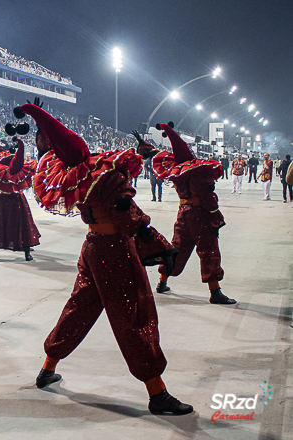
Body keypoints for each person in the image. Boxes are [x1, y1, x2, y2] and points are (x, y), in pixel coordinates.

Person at [15, 102, 192, 416]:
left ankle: (47, 367)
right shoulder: (104, 176)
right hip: (113, 250)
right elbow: (126, 213)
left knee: (77, 308)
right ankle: (157, 392)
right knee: (133, 316)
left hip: (92, 247)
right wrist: (152, 240)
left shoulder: (79, 178)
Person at [148, 122, 236, 305]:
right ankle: (215, 291)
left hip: (183, 212)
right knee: (208, 250)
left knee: (177, 247)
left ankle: (162, 282)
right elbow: (207, 197)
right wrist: (215, 214)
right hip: (199, 214)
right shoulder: (198, 174)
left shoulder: (178, 175)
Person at [0, 125, 40, 261]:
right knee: (20, 223)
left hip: (6, 198)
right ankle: (27, 253)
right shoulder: (3, 155)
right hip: (14, 198)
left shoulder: (4, 159)